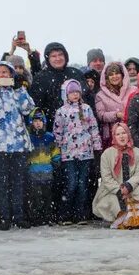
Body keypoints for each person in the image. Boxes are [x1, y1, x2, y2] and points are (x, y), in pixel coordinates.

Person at [0, 62, 37, 230]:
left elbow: (28, 109)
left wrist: (20, 89)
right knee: (1, 183)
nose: (2, 75)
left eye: (6, 72)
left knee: (18, 182)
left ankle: (18, 216)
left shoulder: (17, 92)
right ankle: (4, 217)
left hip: (18, 145)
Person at [93, 122, 139, 228]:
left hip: (133, 187)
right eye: (118, 134)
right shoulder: (107, 154)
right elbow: (106, 178)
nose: (121, 136)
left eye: (124, 133)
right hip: (112, 190)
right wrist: (119, 190)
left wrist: (129, 185)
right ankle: (121, 218)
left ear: (128, 134)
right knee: (113, 201)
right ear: (114, 136)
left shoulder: (138, 152)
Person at [53, 79, 100, 224]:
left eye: (77, 92)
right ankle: (65, 215)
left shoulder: (86, 108)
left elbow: (93, 127)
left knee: (82, 185)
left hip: (85, 152)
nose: (75, 95)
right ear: (66, 95)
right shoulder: (61, 111)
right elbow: (58, 131)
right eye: (71, 92)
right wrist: (58, 150)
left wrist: (96, 146)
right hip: (69, 154)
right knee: (71, 184)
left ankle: (81, 215)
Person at [26, 41, 87, 126]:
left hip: (78, 125)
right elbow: (36, 105)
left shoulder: (76, 73)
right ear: (48, 59)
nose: (58, 58)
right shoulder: (41, 77)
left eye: (60, 55)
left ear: (65, 56)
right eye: (54, 56)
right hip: (51, 127)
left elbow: (87, 98)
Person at [25, 110, 59, 226]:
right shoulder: (28, 138)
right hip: (33, 172)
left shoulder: (49, 137)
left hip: (47, 172)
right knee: (35, 197)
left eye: (40, 120)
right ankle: (35, 218)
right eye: (35, 121)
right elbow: (26, 156)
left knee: (48, 196)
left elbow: (55, 152)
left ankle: (47, 217)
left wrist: (56, 162)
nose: (38, 123)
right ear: (31, 123)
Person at [95, 63, 131, 148]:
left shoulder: (133, 90)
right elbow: (101, 115)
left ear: (122, 75)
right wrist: (116, 114)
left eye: (117, 73)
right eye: (111, 74)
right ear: (106, 78)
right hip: (112, 134)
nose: (114, 76)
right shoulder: (100, 95)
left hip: (130, 131)